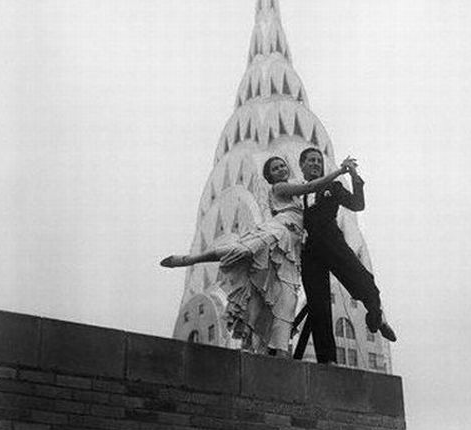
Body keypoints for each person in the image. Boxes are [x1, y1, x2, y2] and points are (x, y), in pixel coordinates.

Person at [160, 154, 356, 357]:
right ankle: (190, 259)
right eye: (275, 168)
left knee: (286, 301)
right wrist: (340, 172)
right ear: (270, 177)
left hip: (291, 249)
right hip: (276, 231)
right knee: (241, 251)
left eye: (282, 166)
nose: (281, 169)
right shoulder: (281, 188)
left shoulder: (301, 197)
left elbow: (315, 204)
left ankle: (280, 352)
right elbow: (310, 187)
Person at [293, 147, 396, 365]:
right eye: (310, 161)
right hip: (310, 253)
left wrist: (354, 176)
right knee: (318, 305)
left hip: (333, 243)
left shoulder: (333, 186)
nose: (315, 164)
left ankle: (376, 316)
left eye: (318, 161)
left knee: (364, 281)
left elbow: (358, 205)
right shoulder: (297, 194)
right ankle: (327, 359)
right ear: (301, 165)